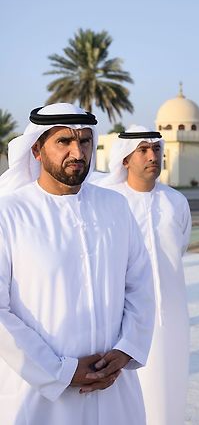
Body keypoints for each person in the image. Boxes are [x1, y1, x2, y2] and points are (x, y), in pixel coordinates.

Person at [0, 103, 155, 424]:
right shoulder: (10, 213)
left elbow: (140, 285)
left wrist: (127, 349)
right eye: (64, 142)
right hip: (40, 390)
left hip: (114, 384)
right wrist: (59, 371)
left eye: (85, 141)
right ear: (37, 150)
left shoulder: (115, 206)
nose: (77, 151)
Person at [95, 125, 192, 425]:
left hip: (170, 319)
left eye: (157, 150)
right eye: (144, 150)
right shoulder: (107, 201)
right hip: (119, 321)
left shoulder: (176, 201)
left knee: (168, 395)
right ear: (125, 159)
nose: (153, 156)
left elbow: (180, 248)